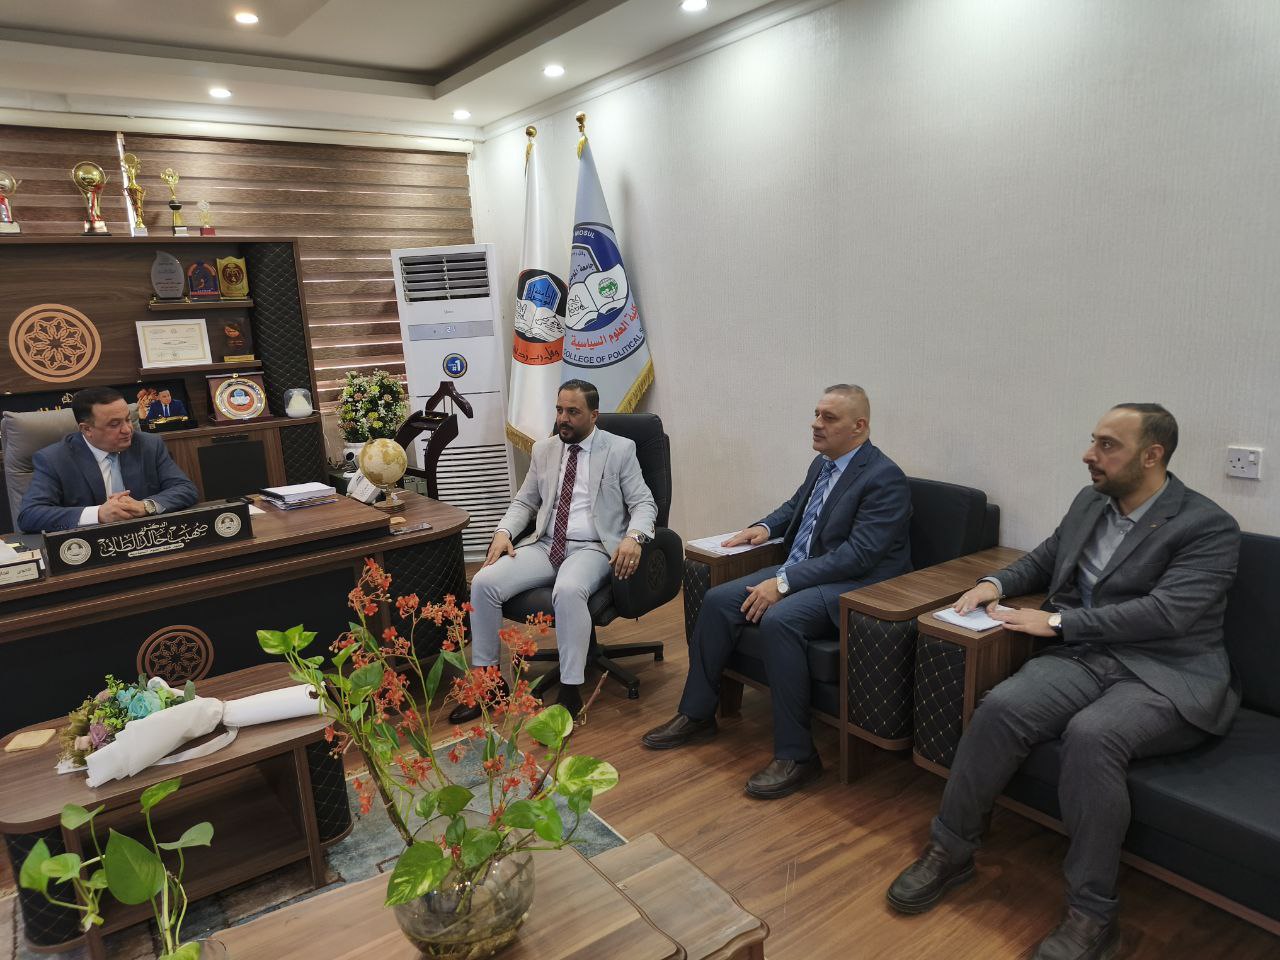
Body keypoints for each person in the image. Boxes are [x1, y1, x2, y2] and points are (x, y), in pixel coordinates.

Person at [886, 403, 1240, 960]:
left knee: (1094, 736)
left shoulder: (1207, 526)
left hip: (1165, 669)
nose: (1088, 455)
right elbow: (1048, 559)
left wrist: (1056, 623)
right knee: (1000, 708)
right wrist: (994, 584)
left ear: (1152, 455)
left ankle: (1093, 915)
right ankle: (950, 851)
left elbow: (1167, 614)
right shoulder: (1090, 502)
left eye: (1107, 445)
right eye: (1093, 441)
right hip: (1085, 656)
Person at [642, 384, 912, 799]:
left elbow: (859, 556)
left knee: (781, 620)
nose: (816, 424)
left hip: (858, 585)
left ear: (859, 427)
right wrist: (764, 527)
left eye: (829, 418)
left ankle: (798, 756)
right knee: (717, 601)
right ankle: (697, 714)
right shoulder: (824, 463)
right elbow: (796, 507)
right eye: (816, 414)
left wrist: (784, 583)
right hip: (807, 569)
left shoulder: (884, 478)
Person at [454, 379, 657, 720]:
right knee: (484, 582)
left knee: (568, 589)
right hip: (547, 543)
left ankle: (570, 688)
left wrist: (633, 537)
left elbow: (644, 503)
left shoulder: (619, 450)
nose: (563, 418)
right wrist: (503, 532)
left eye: (573, 412)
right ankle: (488, 683)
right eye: (559, 410)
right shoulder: (544, 450)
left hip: (593, 548)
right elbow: (525, 501)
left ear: (594, 415)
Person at [17, 386, 199, 533]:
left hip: (147, 537)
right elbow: (30, 515)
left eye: (128, 419)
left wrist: (146, 506)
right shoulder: (55, 459)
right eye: (114, 424)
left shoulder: (149, 445)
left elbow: (185, 489)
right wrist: (98, 514)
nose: (127, 430)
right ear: (87, 429)